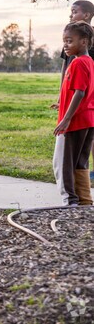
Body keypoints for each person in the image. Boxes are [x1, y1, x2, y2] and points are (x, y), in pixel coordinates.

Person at [53, 21, 94, 206]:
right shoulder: (89, 62)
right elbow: (79, 91)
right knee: (80, 162)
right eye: (64, 41)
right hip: (88, 119)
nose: (66, 45)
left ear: (84, 42)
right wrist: (61, 103)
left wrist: (66, 119)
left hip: (75, 121)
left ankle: (70, 202)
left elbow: (80, 92)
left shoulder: (78, 63)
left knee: (62, 163)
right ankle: (84, 201)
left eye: (70, 41)